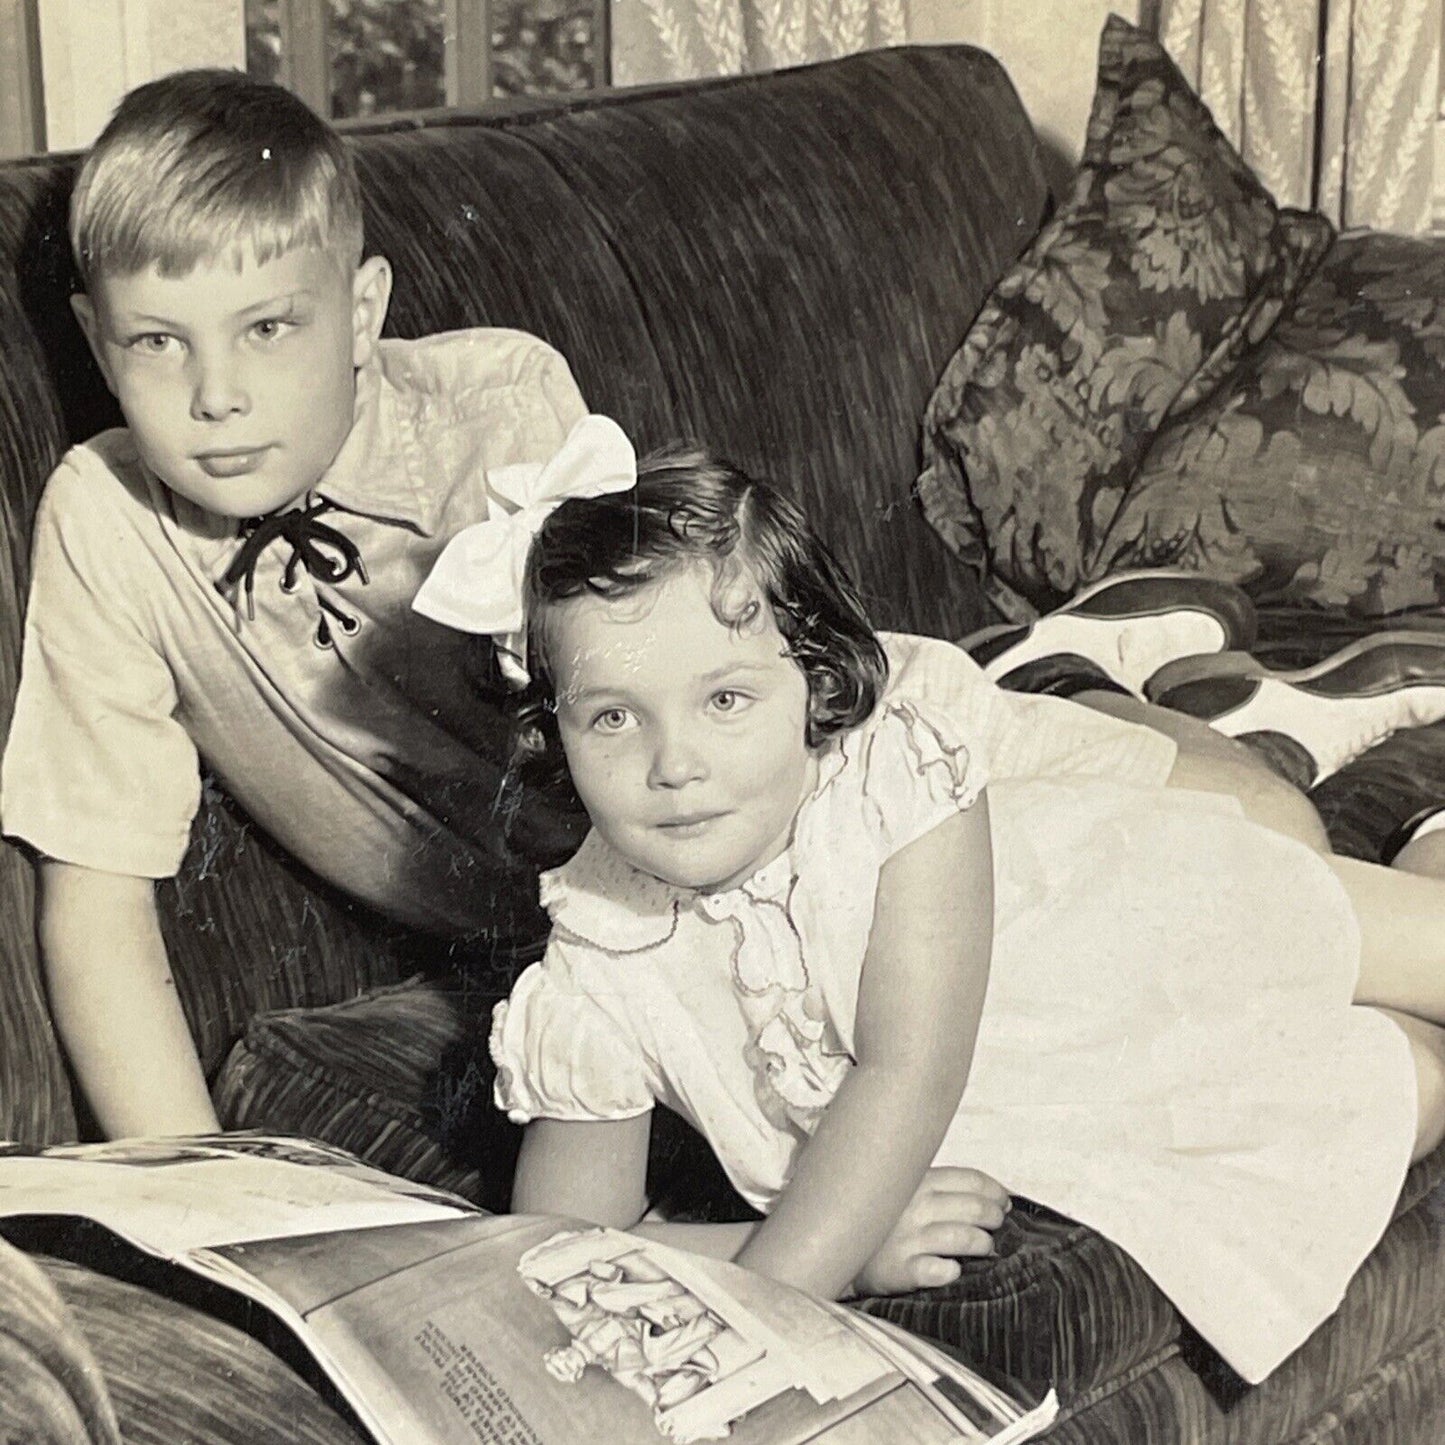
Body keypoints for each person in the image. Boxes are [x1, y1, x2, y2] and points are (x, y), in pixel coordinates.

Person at [416, 450, 1445, 1384]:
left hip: (1126, 920)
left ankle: (1088, 676)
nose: (671, 763)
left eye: (723, 699)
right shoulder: (595, 949)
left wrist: (774, 1290)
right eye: (611, 715)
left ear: (813, 683)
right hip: (1067, 1093)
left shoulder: (887, 779)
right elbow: (557, 1249)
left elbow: (905, 1068)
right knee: (1419, 1084)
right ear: (550, 726)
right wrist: (840, 1252)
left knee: (1313, 860)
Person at [0, 69, 621, 1139]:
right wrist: (199, 1197)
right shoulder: (105, 518)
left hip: (713, 860)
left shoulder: (497, 414)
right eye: (157, 341)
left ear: (361, 312)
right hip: (543, 959)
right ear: (99, 344)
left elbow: (677, 755)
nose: (216, 395)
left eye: (268, 328)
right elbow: (98, 898)